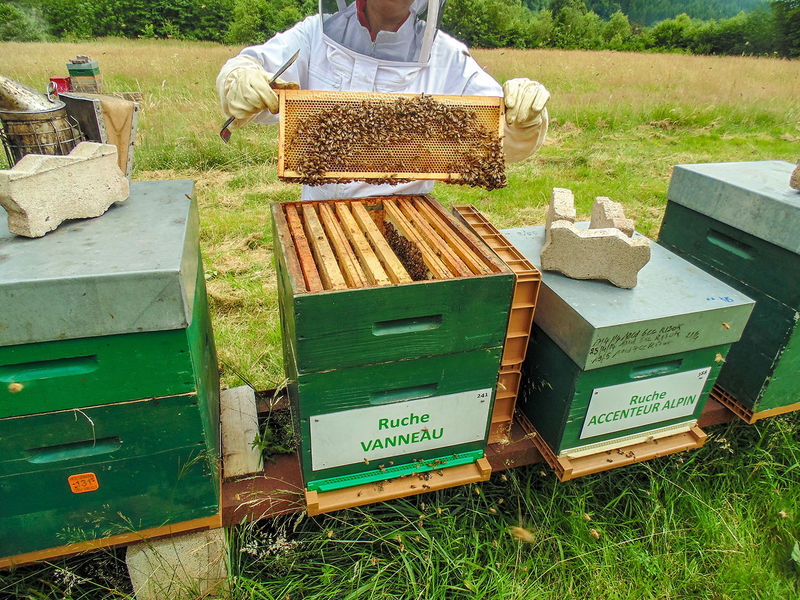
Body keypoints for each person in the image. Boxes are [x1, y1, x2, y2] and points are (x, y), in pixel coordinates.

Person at [217, 0, 550, 200]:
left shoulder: (447, 56)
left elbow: (500, 136)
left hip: (406, 218)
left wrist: (525, 119)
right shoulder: (313, 34)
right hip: (317, 216)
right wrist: (239, 80)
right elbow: (252, 66)